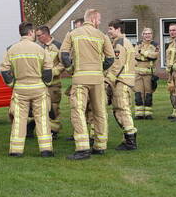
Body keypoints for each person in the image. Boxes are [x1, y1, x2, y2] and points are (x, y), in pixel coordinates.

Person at [60, 9, 114, 159]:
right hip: (97, 80)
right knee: (100, 112)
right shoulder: (102, 36)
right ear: (94, 19)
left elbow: (63, 55)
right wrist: (98, 69)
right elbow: (110, 59)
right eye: (100, 19)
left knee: (78, 111)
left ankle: (83, 148)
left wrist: (72, 69)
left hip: (80, 79)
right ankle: (100, 146)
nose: (100, 22)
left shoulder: (72, 34)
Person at [0, 23, 54, 157]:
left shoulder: (11, 49)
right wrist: (46, 83)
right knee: (42, 118)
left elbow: (4, 70)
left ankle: (16, 150)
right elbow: (48, 69)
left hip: (20, 89)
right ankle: (46, 150)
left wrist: (12, 83)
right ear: (30, 32)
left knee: (19, 119)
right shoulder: (40, 49)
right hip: (38, 88)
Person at [106, 20, 138, 150]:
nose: (109, 31)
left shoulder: (119, 43)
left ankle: (130, 141)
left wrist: (108, 81)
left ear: (118, 29)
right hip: (124, 81)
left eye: (110, 29)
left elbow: (117, 65)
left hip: (121, 81)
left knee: (122, 110)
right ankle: (127, 139)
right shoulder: (125, 42)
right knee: (119, 110)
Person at [36, 25, 64, 138]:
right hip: (41, 84)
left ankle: (54, 131)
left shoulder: (58, 46)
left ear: (46, 34)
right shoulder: (39, 47)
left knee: (53, 108)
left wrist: (53, 72)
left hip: (53, 84)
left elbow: (64, 63)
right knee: (42, 107)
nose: (37, 38)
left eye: (39, 35)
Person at [133, 27, 159, 119]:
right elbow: (136, 55)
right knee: (138, 94)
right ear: (142, 35)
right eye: (145, 33)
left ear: (152, 35)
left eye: (149, 33)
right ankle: (139, 114)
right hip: (138, 73)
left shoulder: (155, 45)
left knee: (148, 94)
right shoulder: (138, 44)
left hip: (149, 74)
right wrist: (147, 55)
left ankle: (148, 114)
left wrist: (143, 52)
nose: (147, 35)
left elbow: (154, 55)